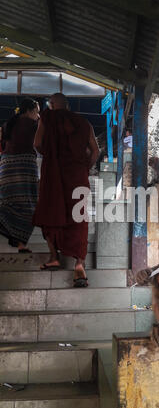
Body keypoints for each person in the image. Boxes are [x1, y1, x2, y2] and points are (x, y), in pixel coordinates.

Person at [33, 93, 99, 287]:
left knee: (50, 213)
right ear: (68, 106)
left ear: (52, 105)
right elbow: (95, 151)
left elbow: (37, 144)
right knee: (78, 217)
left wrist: (52, 156)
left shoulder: (47, 117)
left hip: (53, 174)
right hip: (77, 175)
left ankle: (54, 257)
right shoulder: (84, 123)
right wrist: (83, 167)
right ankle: (79, 265)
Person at [0, 98, 40, 252]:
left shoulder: (9, 123)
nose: (38, 115)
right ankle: (20, 243)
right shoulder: (32, 124)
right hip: (23, 167)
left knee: (8, 202)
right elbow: (42, 143)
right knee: (29, 205)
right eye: (36, 112)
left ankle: (19, 243)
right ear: (29, 111)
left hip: (6, 166)